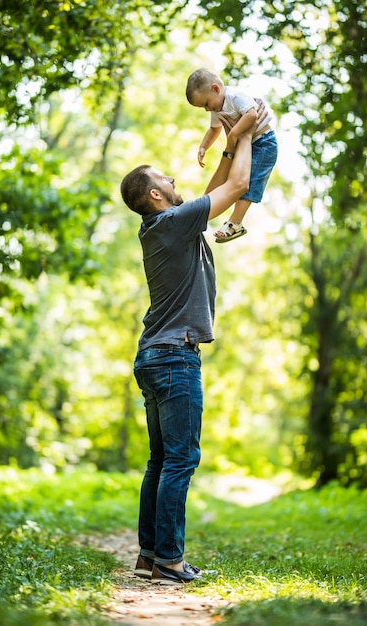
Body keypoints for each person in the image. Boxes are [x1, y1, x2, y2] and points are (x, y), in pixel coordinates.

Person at [120, 102, 266, 585]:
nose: (179, 185)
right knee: (180, 460)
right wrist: (246, 135)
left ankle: (149, 554)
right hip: (174, 357)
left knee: (160, 459)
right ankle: (169, 560)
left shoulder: (164, 225)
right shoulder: (172, 223)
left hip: (153, 355)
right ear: (158, 195)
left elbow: (214, 190)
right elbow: (238, 187)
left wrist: (229, 139)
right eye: (171, 183)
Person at [186, 68, 278, 243]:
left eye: (205, 104)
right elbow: (214, 129)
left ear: (216, 88)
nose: (207, 110)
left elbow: (252, 114)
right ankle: (226, 218)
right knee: (232, 179)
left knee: (250, 182)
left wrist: (234, 134)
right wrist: (203, 146)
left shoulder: (235, 96)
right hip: (249, 144)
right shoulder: (217, 108)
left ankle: (235, 223)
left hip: (264, 143)